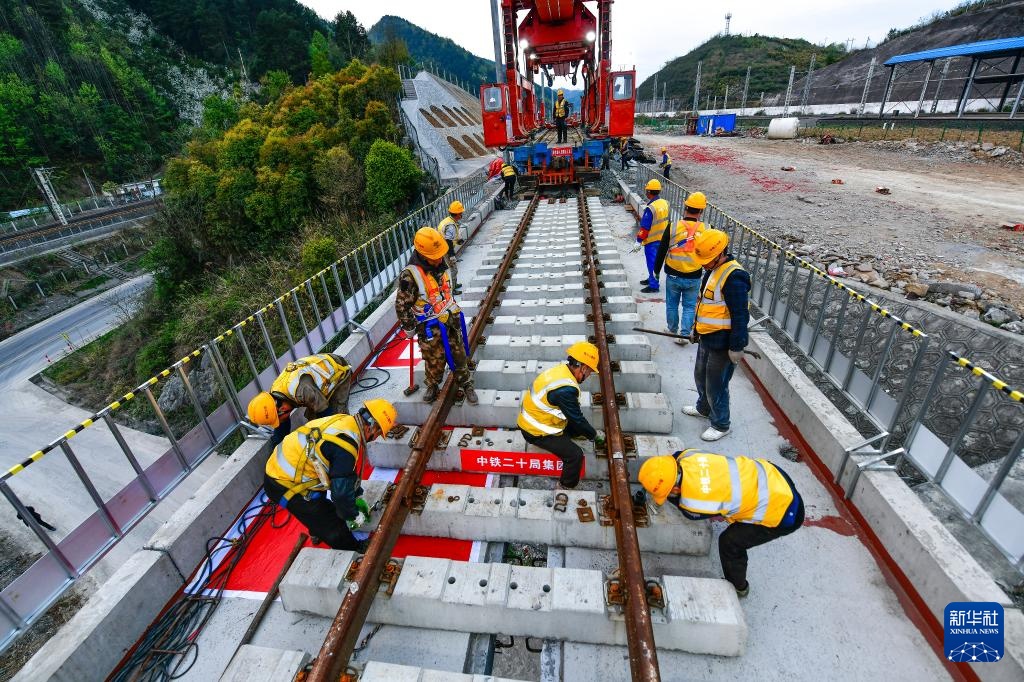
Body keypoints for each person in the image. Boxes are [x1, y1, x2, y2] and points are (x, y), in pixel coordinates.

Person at [638, 451, 804, 598]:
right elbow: (673, 458)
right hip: (773, 474)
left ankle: (738, 587)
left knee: (729, 542)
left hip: (785, 513)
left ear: (675, 490)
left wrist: (663, 495)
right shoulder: (688, 455)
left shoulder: (692, 503)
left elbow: (689, 513)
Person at [264, 399, 397, 551]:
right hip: (284, 484)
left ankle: (316, 529)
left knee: (318, 504)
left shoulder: (345, 421)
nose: (376, 438)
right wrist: (353, 514)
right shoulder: (346, 446)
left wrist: (355, 493)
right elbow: (340, 496)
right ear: (372, 427)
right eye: (378, 433)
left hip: (281, 466)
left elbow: (343, 471)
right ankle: (352, 548)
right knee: (330, 521)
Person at [396, 227, 477, 404]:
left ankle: (466, 383)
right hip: (429, 326)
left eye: (440, 255)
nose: (439, 259)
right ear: (423, 254)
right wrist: (409, 327)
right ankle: (433, 385)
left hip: (450, 319)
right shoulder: (410, 276)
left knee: (458, 353)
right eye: (435, 256)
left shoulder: (440, 262)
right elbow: (402, 305)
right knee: (433, 358)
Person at [683, 229, 750, 441]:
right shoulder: (713, 270)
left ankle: (721, 424)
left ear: (721, 254)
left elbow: (740, 315)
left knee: (716, 385)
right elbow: (704, 305)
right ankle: (703, 407)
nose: (704, 265)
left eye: (707, 260)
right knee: (700, 375)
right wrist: (695, 330)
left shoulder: (735, 277)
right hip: (707, 337)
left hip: (723, 343)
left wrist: (737, 346)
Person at [517, 342, 606, 489]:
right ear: (583, 368)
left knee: (578, 429)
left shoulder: (561, 371)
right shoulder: (565, 390)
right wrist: (594, 435)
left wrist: (584, 431)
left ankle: (576, 434)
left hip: (537, 419)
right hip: (535, 432)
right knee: (575, 456)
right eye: (590, 372)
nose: (589, 375)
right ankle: (566, 486)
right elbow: (577, 419)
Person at [247, 353, 353, 446]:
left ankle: (353, 441)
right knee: (315, 423)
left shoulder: (303, 391)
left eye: (280, 419)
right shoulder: (275, 394)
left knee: (337, 421)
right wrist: (277, 445)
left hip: (338, 371)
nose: (281, 421)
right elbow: (282, 428)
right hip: (314, 384)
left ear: (283, 409)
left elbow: (327, 415)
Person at [653, 191, 708, 345]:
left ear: (685, 207)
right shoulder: (707, 229)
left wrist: (656, 271)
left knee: (672, 304)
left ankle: (672, 330)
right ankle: (684, 335)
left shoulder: (673, 227)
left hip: (673, 275)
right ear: (701, 211)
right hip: (694, 276)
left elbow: (661, 251)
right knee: (689, 306)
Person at [635, 178, 671, 294]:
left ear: (649, 192)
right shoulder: (665, 203)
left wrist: (638, 241)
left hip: (652, 240)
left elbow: (645, 227)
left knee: (652, 263)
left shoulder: (651, 208)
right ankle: (651, 278)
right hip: (663, 239)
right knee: (656, 262)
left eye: (647, 190)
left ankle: (654, 285)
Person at [436, 200, 464, 293]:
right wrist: (452, 255)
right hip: (446, 250)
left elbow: (447, 237)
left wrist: (458, 240)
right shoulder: (451, 226)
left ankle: (454, 284)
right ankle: (453, 289)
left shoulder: (447, 220)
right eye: (461, 213)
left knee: (450, 269)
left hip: (442, 248)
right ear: (457, 214)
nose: (462, 214)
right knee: (454, 269)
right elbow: (448, 241)